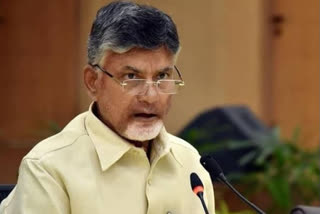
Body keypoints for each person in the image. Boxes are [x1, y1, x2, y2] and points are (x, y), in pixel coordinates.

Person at [0, 1, 215, 213]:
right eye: (131, 77)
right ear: (93, 82)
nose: (150, 97)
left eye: (162, 76)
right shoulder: (49, 170)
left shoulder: (191, 164)